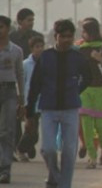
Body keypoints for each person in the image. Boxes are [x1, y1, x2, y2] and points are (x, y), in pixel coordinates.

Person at [26, 19, 91, 188]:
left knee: (69, 152)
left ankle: (64, 185)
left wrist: (76, 90)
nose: (67, 40)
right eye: (63, 36)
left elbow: (88, 77)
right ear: (56, 36)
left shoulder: (77, 57)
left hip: (70, 108)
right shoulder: (46, 57)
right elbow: (35, 85)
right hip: (48, 108)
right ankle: (56, 177)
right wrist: (29, 114)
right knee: (48, 149)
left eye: (70, 36)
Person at [77, 19, 102, 168]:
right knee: (86, 124)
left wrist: (101, 60)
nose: (83, 34)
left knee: (99, 124)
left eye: (84, 31)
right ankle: (92, 156)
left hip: (101, 89)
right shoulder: (80, 49)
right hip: (84, 89)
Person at [0, 16, 25, 183]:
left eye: (1, 27)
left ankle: (5, 168)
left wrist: (22, 100)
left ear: (8, 28)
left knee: (7, 131)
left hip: (9, 91)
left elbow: (20, 75)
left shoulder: (16, 50)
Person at [18, 35, 44, 162]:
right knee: (30, 127)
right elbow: (22, 83)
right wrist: (21, 101)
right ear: (31, 49)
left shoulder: (46, 63)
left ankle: (29, 145)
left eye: (41, 46)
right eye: (37, 47)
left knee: (34, 132)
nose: (39, 49)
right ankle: (21, 149)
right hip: (29, 102)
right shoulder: (26, 64)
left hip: (41, 102)